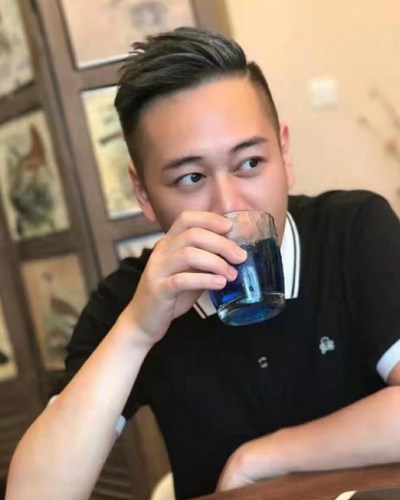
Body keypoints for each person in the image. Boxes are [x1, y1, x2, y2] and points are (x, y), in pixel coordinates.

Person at [6, 27, 400, 500]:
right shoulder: (131, 299)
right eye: (191, 177)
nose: (229, 206)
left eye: (250, 163)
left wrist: (264, 457)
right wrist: (137, 330)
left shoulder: (353, 231)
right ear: (143, 194)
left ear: (284, 154)